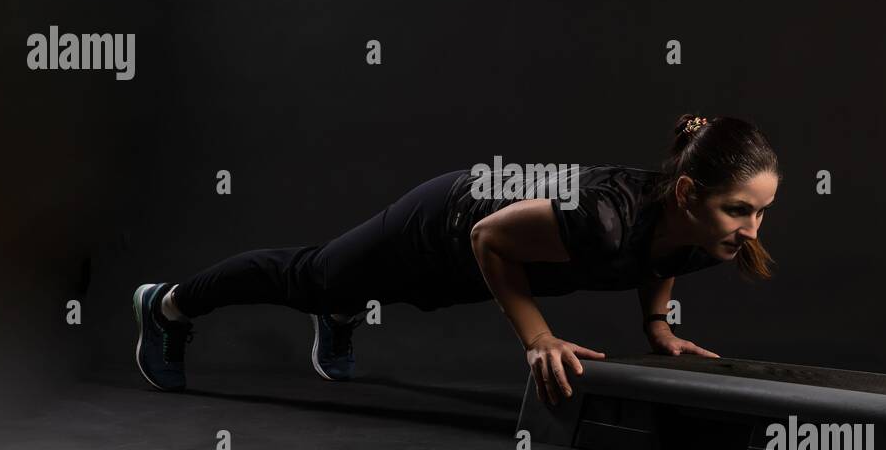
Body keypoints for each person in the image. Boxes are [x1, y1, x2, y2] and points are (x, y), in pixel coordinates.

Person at [133, 113, 781, 405]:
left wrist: (657, 327)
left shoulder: (709, 235)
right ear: (690, 193)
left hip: (486, 258)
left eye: (761, 211)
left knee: (412, 293)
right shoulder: (604, 218)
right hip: (448, 218)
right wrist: (538, 338)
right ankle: (166, 305)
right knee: (311, 278)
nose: (752, 229)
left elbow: (657, 258)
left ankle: (344, 308)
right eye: (739, 210)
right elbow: (490, 239)